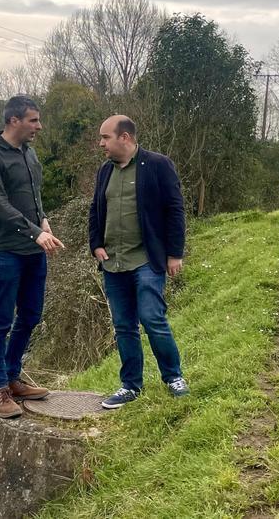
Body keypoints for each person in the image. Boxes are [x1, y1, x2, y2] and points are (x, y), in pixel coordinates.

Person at [0, 95, 65, 418]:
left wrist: (43, 221)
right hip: (5, 252)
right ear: (14, 121)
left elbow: (34, 195)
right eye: (33, 120)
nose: (39, 126)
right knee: (1, 321)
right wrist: (35, 232)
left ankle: (12, 377)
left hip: (33, 251)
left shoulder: (30, 153)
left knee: (31, 315)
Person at [89, 115, 189, 409]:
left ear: (125, 138)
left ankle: (173, 377)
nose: (101, 144)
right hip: (113, 263)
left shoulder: (157, 165)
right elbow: (95, 210)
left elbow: (175, 209)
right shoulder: (104, 171)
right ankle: (130, 386)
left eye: (105, 137)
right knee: (123, 326)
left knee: (151, 317)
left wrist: (175, 254)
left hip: (147, 259)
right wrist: (95, 244)